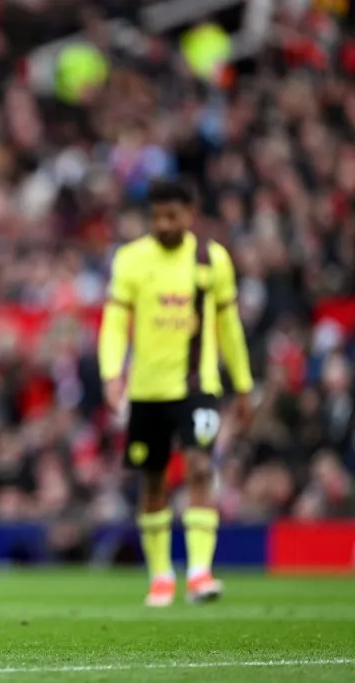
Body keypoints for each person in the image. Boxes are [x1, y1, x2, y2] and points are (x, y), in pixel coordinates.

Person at [98, 180, 253, 607]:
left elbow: (228, 326)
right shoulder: (130, 259)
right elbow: (114, 323)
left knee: (202, 468)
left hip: (197, 386)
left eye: (172, 216)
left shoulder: (211, 259)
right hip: (146, 389)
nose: (164, 224)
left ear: (190, 214)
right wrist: (112, 374)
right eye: (157, 217)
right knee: (153, 481)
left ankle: (200, 573)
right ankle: (162, 575)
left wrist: (243, 383)